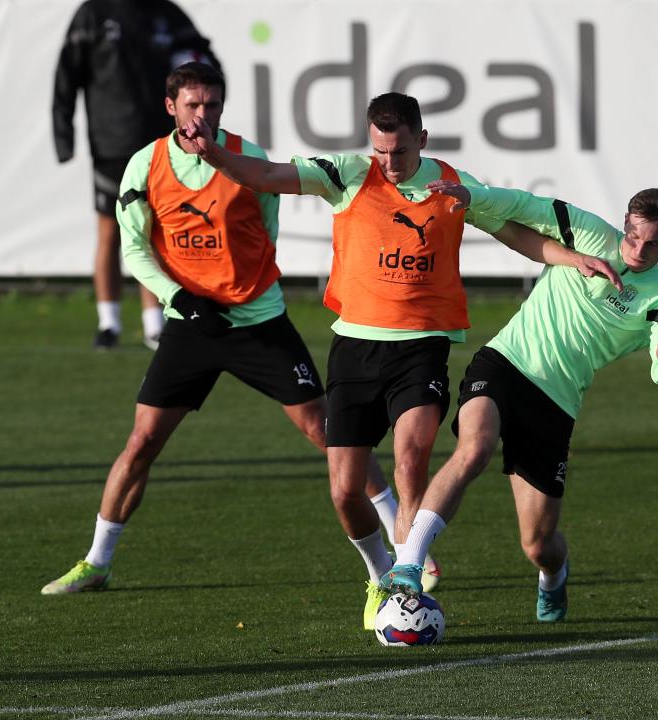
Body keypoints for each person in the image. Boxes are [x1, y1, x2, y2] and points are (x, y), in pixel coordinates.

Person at [41, 63, 400, 599]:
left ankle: (406, 544)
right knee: (141, 442)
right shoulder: (145, 165)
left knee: (329, 432)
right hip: (190, 326)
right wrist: (178, 297)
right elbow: (134, 247)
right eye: (192, 105)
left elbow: (267, 230)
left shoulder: (248, 160)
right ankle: (96, 562)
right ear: (171, 108)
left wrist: (246, 289)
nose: (201, 115)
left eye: (211, 105)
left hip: (258, 322)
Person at [177, 92, 508, 629]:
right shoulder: (348, 174)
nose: (388, 163)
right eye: (379, 151)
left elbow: (515, 221)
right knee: (344, 491)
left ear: (421, 141)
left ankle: (407, 580)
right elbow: (263, 174)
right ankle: (380, 574)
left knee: (410, 461)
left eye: (398, 152)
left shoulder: (451, 185)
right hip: (354, 347)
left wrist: (573, 257)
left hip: (422, 345)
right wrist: (213, 155)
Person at [381, 181, 658, 624]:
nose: (640, 249)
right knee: (474, 449)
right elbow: (524, 206)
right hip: (504, 363)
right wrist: (469, 196)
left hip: (556, 403)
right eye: (634, 235)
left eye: (654, 244)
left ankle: (554, 577)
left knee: (538, 545)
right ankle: (409, 564)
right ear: (625, 221)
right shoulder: (585, 233)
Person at [52, 0, 221, 350]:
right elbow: (67, 75)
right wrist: (63, 135)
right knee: (110, 231)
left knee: (156, 230)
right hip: (110, 142)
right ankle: (108, 322)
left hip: (162, 143)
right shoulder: (93, 13)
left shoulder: (166, 14)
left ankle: (154, 324)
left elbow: (206, 64)